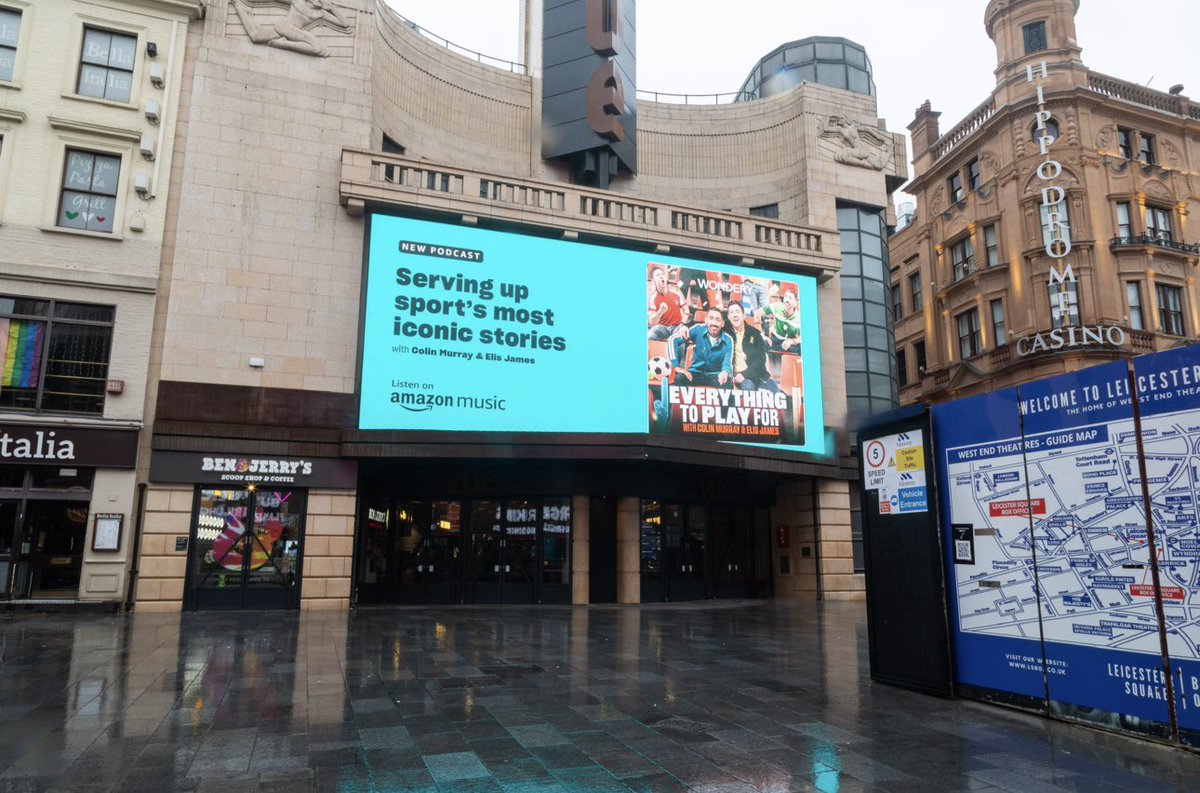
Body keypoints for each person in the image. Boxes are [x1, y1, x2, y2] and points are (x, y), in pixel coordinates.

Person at [670, 308, 732, 387]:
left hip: (715, 375)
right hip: (695, 373)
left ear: (722, 323)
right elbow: (673, 340)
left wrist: (725, 372)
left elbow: (727, 362)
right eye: (711, 318)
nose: (714, 323)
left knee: (727, 382)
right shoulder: (698, 329)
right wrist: (676, 366)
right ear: (706, 320)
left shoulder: (728, 340)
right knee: (680, 378)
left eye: (718, 320)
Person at [725, 302, 778, 392]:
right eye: (732, 312)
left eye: (737, 311)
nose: (735, 315)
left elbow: (761, 360)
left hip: (756, 374)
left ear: (744, 315)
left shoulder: (755, 333)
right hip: (738, 376)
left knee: (774, 390)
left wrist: (745, 374)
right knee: (748, 386)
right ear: (728, 317)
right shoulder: (725, 333)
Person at [647, 265, 686, 340]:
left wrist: (682, 324)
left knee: (680, 340)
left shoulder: (676, 290)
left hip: (677, 326)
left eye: (662, 274)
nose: (661, 276)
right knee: (649, 336)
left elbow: (686, 310)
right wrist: (660, 311)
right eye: (658, 275)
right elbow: (651, 322)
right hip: (662, 327)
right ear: (653, 280)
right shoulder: (652, 297)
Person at [763, 285, 801, 352]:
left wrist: (792, 341)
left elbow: (804, 337)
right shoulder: (776, 308)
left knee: (801, 347)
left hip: (790, 343)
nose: (787, 300)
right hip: (775, 340)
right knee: (763, 342)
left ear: (796, 302)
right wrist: (762, 335)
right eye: (785, 297)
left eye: (790, 298)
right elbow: (758, 314)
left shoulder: (799, 317)